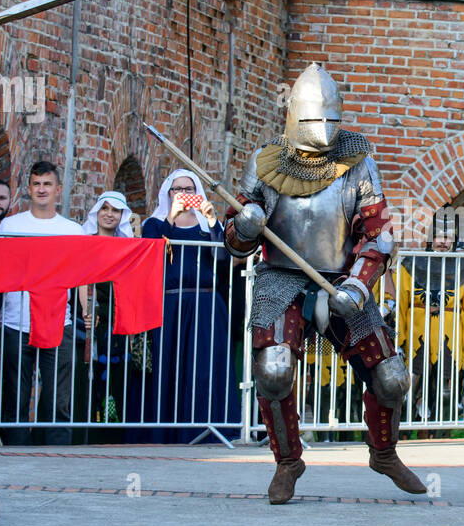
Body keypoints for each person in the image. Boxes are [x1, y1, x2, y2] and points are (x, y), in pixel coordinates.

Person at [223, 63, 425, 503]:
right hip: (281, 280)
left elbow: (381, 232)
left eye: (332, 119)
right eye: (316, 119)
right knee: (274, 370)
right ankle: (288, 461)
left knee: (391, 378)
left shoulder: (357, 161)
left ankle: (384, 453)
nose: (325, 129)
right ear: (296, 116)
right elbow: (234, 244)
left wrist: (358, 284)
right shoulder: (265, 162)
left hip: (341, 279)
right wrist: (247, 225)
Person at [0, 161, 85, 446]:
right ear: (28, 188)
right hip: (16, 322)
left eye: (47, 184)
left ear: (58, 190)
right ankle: (15, 454)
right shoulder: (10, 225)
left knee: (59, 397)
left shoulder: (72, 230)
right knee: (14, 396)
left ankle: (57, 456)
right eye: (36, 184)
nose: (42, 189)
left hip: (58, 322)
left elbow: (80, 280)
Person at [138, 169, 238, 444]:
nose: (183, 194)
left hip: (206, 305)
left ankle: (206, 430)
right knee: (170, 367)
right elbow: (153, 254)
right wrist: (171, 218)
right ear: (168, 193)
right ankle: (170, 431)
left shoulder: (208, 225)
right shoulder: (155, 223)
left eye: (189, 189)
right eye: (177, 189)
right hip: (171, 304)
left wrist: (212, 222)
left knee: (205, 368)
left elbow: (221, 258)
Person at [76, 191, 149, 441]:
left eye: (115, 210)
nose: (109, 214)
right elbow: (82, 279)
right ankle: (88, 435)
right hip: (94, 317)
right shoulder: (87, 242)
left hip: (119, 319)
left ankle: (112, 434)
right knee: (91, 379)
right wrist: (87, 309)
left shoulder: (126, 244)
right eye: (105, 208)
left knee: (117, 380)